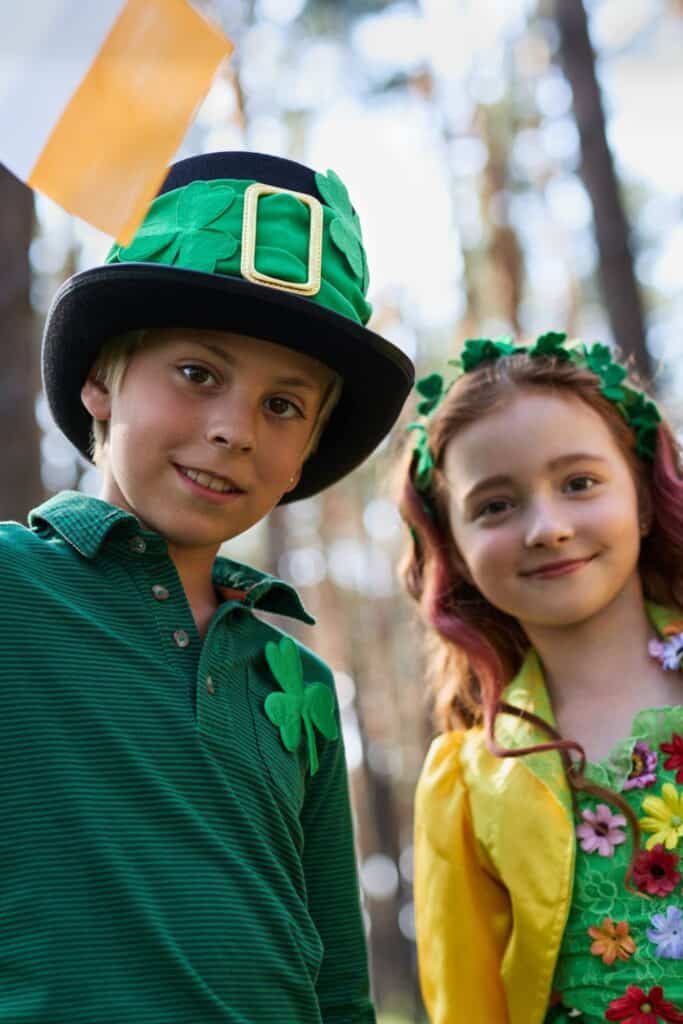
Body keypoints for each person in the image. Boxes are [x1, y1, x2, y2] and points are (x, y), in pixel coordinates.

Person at [1, 151, 414, 1023]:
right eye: (197, 374)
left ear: (308, 449)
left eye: (283, 405)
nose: (233, 430)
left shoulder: (296, 679)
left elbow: (338, 979)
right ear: (101, 381)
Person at [398, 332, 683, 1024]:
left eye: (579, 483)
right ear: (456, 552)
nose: (546, 527)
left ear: (642, 500)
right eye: (494, 505)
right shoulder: (468, 782)